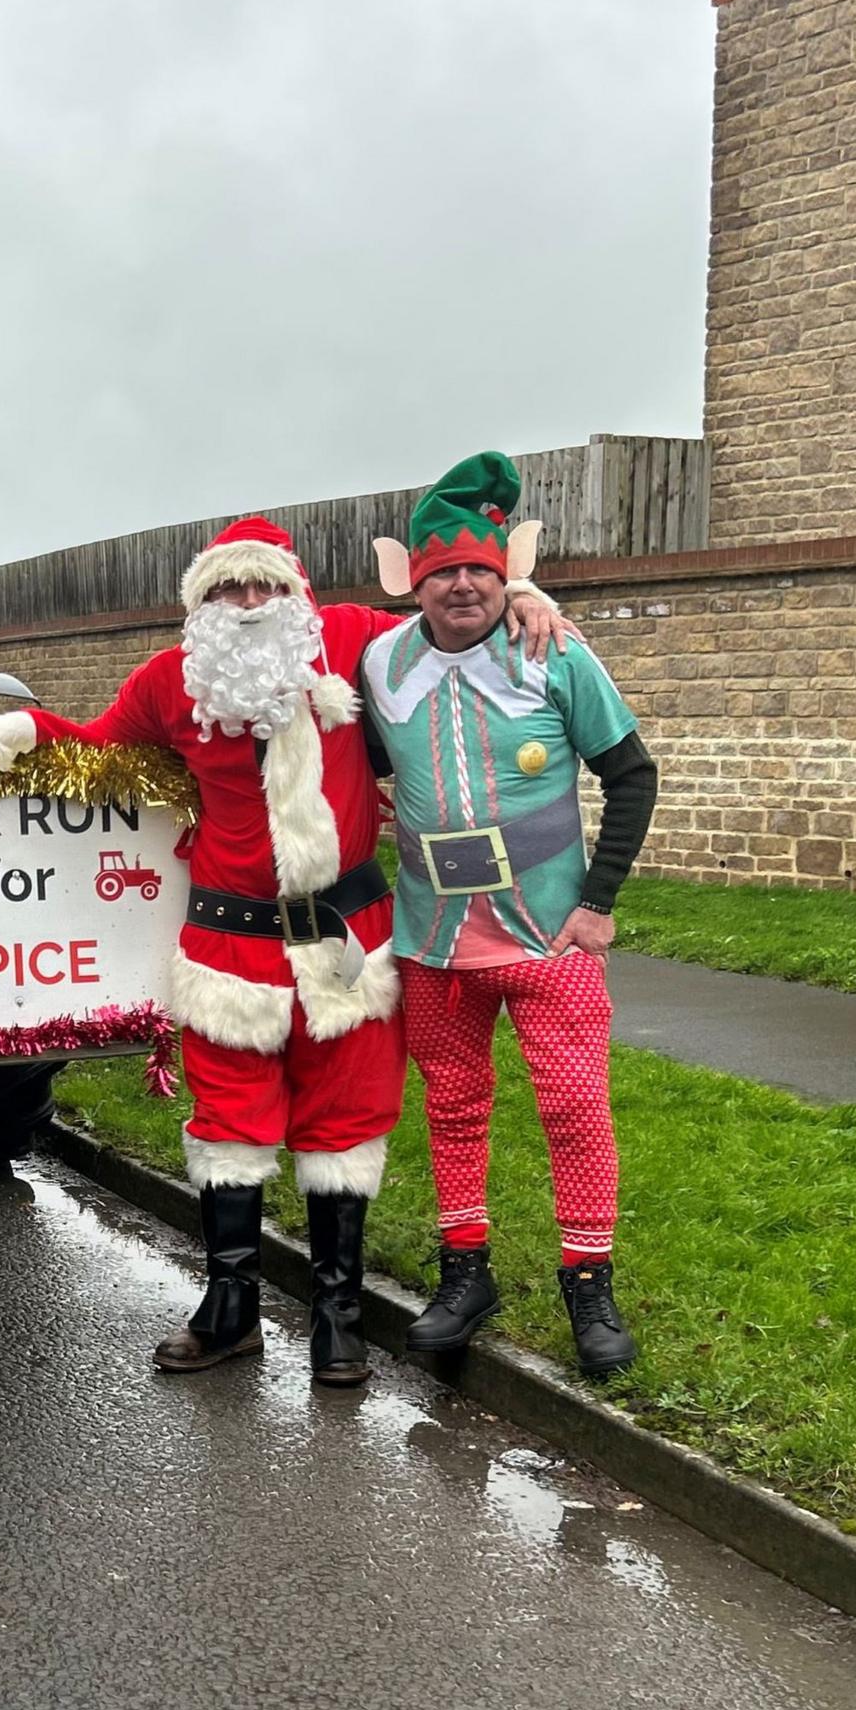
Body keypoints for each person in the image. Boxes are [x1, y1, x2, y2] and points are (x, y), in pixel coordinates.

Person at [0, 517, 569, 1385]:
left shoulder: (350, 638)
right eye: (229, 589)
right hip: (229, 948)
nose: (250, 604)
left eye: (265, 587)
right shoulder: (170, 681)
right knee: (229, 1130)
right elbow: (94, 739)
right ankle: (231, 1310)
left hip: (347, 943)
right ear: (202, 603)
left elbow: (449, 628)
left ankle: (337, 1316)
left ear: (296, 594)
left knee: (345, 1127)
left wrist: (518, 594)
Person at [362, 452, 658, 1378]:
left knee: (575, 1111)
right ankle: (465, 1271)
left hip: (547, 932)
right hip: (433, 939)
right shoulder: (379, 660)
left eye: (481, 571)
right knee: (452, 1108)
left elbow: (631, 774)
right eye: (442, 570)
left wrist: (599, 905)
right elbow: (367, 750)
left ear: (506, 576)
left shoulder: (554, 649)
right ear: (413, 580)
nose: (461, 586)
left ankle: (589, 1284)